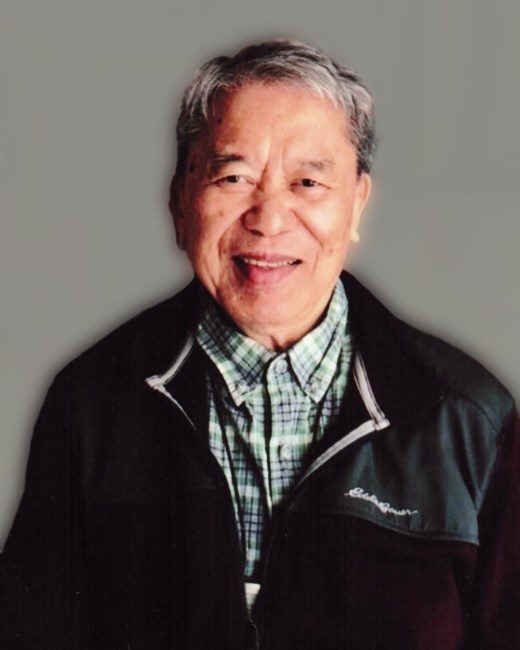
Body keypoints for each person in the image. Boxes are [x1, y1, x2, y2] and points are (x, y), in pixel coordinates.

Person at [0, 39, 519, 650]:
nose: (269, 219)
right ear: (180, 201)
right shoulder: (92, 403)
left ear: (356, 205)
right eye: (234, 177)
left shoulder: (468, 418)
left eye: (308, 182)